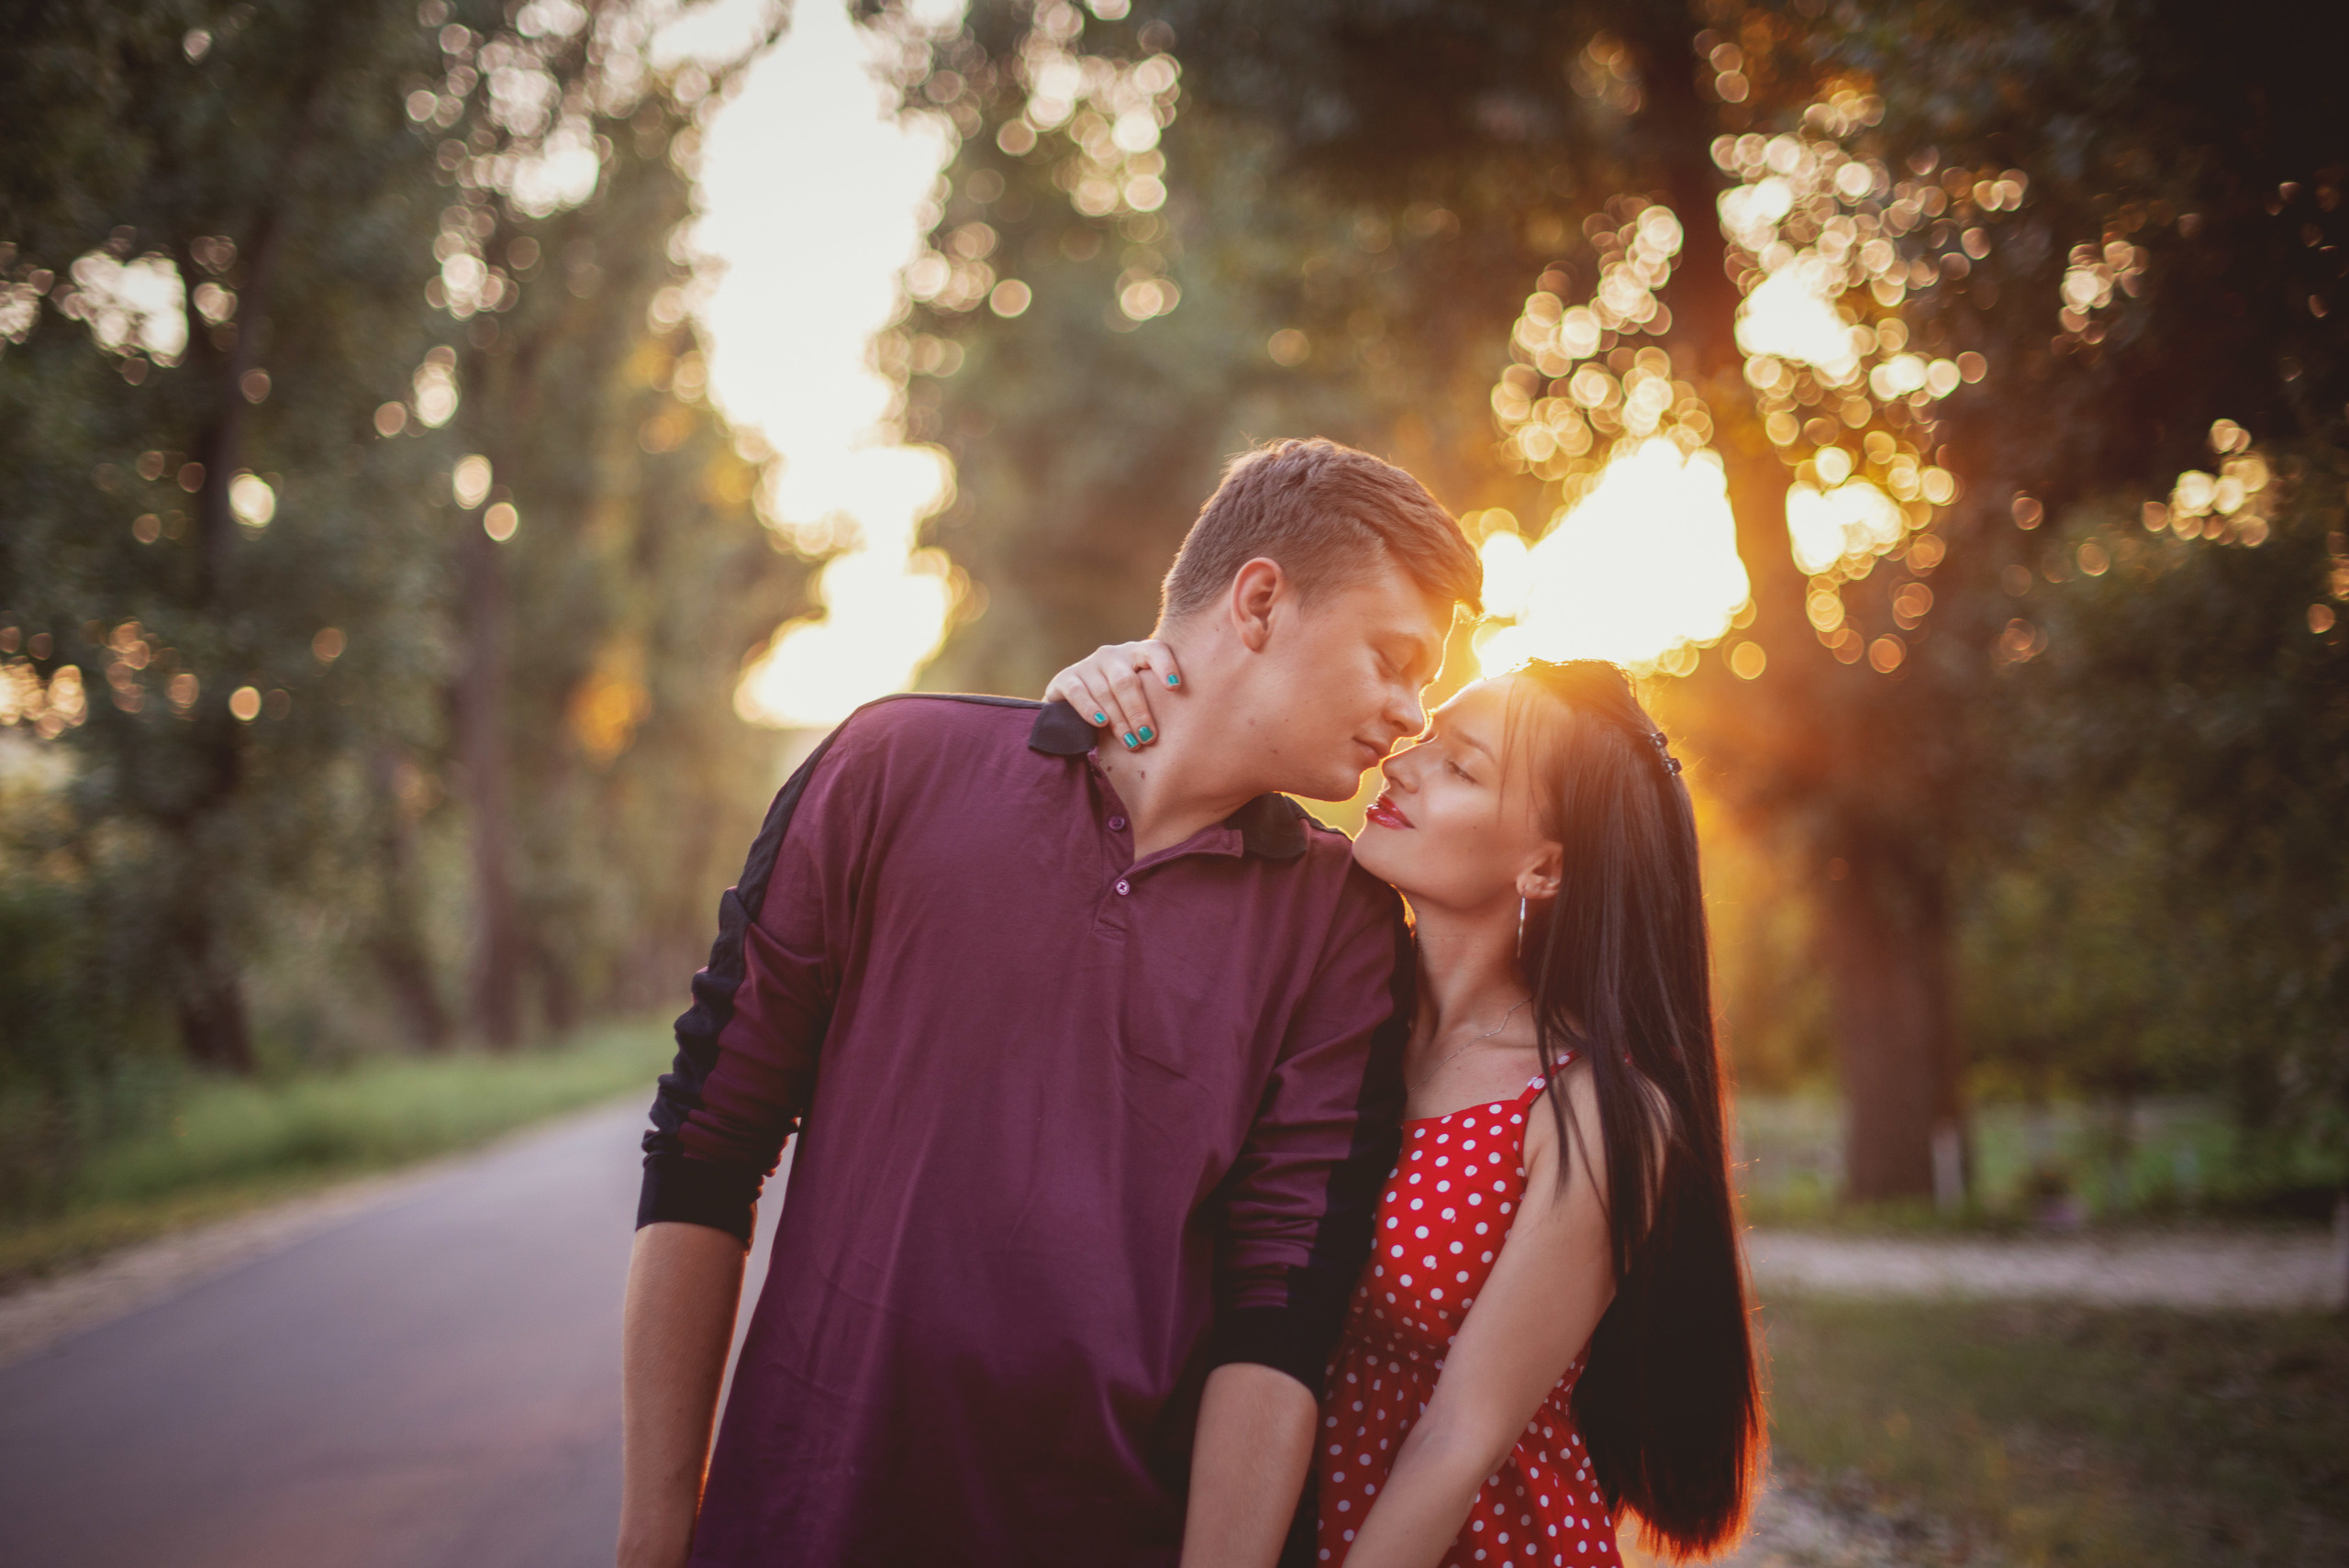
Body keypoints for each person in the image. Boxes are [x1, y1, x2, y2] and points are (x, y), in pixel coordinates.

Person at [618, 438, 1485, 1568]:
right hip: (796, 1521)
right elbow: (705, 1146)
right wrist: (651, 1535)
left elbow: (1280, 1308)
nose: (1413, 711)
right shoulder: (889, 769)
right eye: (1394, 657)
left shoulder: (1342, 925)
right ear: (1261, 600)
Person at [1044, 649, 1762, 1566]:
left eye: (1460, 767)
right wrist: (1103, 687)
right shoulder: (1320, 1016)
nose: (1402, 763)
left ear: (1544, 867)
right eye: (1425, 739)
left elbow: (1460, 1434)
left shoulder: (1590, 1109)